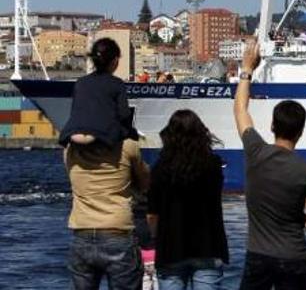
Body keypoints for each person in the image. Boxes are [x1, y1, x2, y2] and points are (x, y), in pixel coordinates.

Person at [235, 40, 306, 290]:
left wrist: (246, 70)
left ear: (273, 126)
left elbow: (240, 110)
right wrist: (298, 219)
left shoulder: (255, 152)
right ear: (301, 131)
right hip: (294, 257)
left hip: (258, 256)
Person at [64, 42, 151, 289]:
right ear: (115, 62)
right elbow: (145, 184)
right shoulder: (128, 148)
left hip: (81, 234)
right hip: (118, 233)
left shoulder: (69, 152)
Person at [147, 109, 229, 289]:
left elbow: (152, 215)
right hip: (208, 246)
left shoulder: (160, 169)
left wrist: (156, 237)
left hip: (171, 248)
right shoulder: (213, 166)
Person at [60, 38, 137, 147]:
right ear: (115, 60)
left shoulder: (80, 82)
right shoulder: (117, 84)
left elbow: (75, 112)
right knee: (131, 141)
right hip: (101, 138)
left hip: (72, 137)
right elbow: (124, 115)